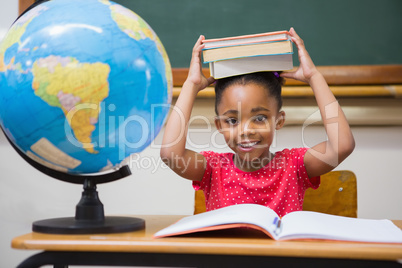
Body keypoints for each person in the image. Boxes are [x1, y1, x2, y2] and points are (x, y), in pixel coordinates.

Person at [160, 28, 355, 217]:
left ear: (278, 121)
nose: (246, 130)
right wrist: (191, 85)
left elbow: (342, 145)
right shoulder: (213, 169)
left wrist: (315, 78)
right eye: (233, 120)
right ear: (219, 125)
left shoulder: (294, 166)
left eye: (259, 118)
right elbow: (171, 154)